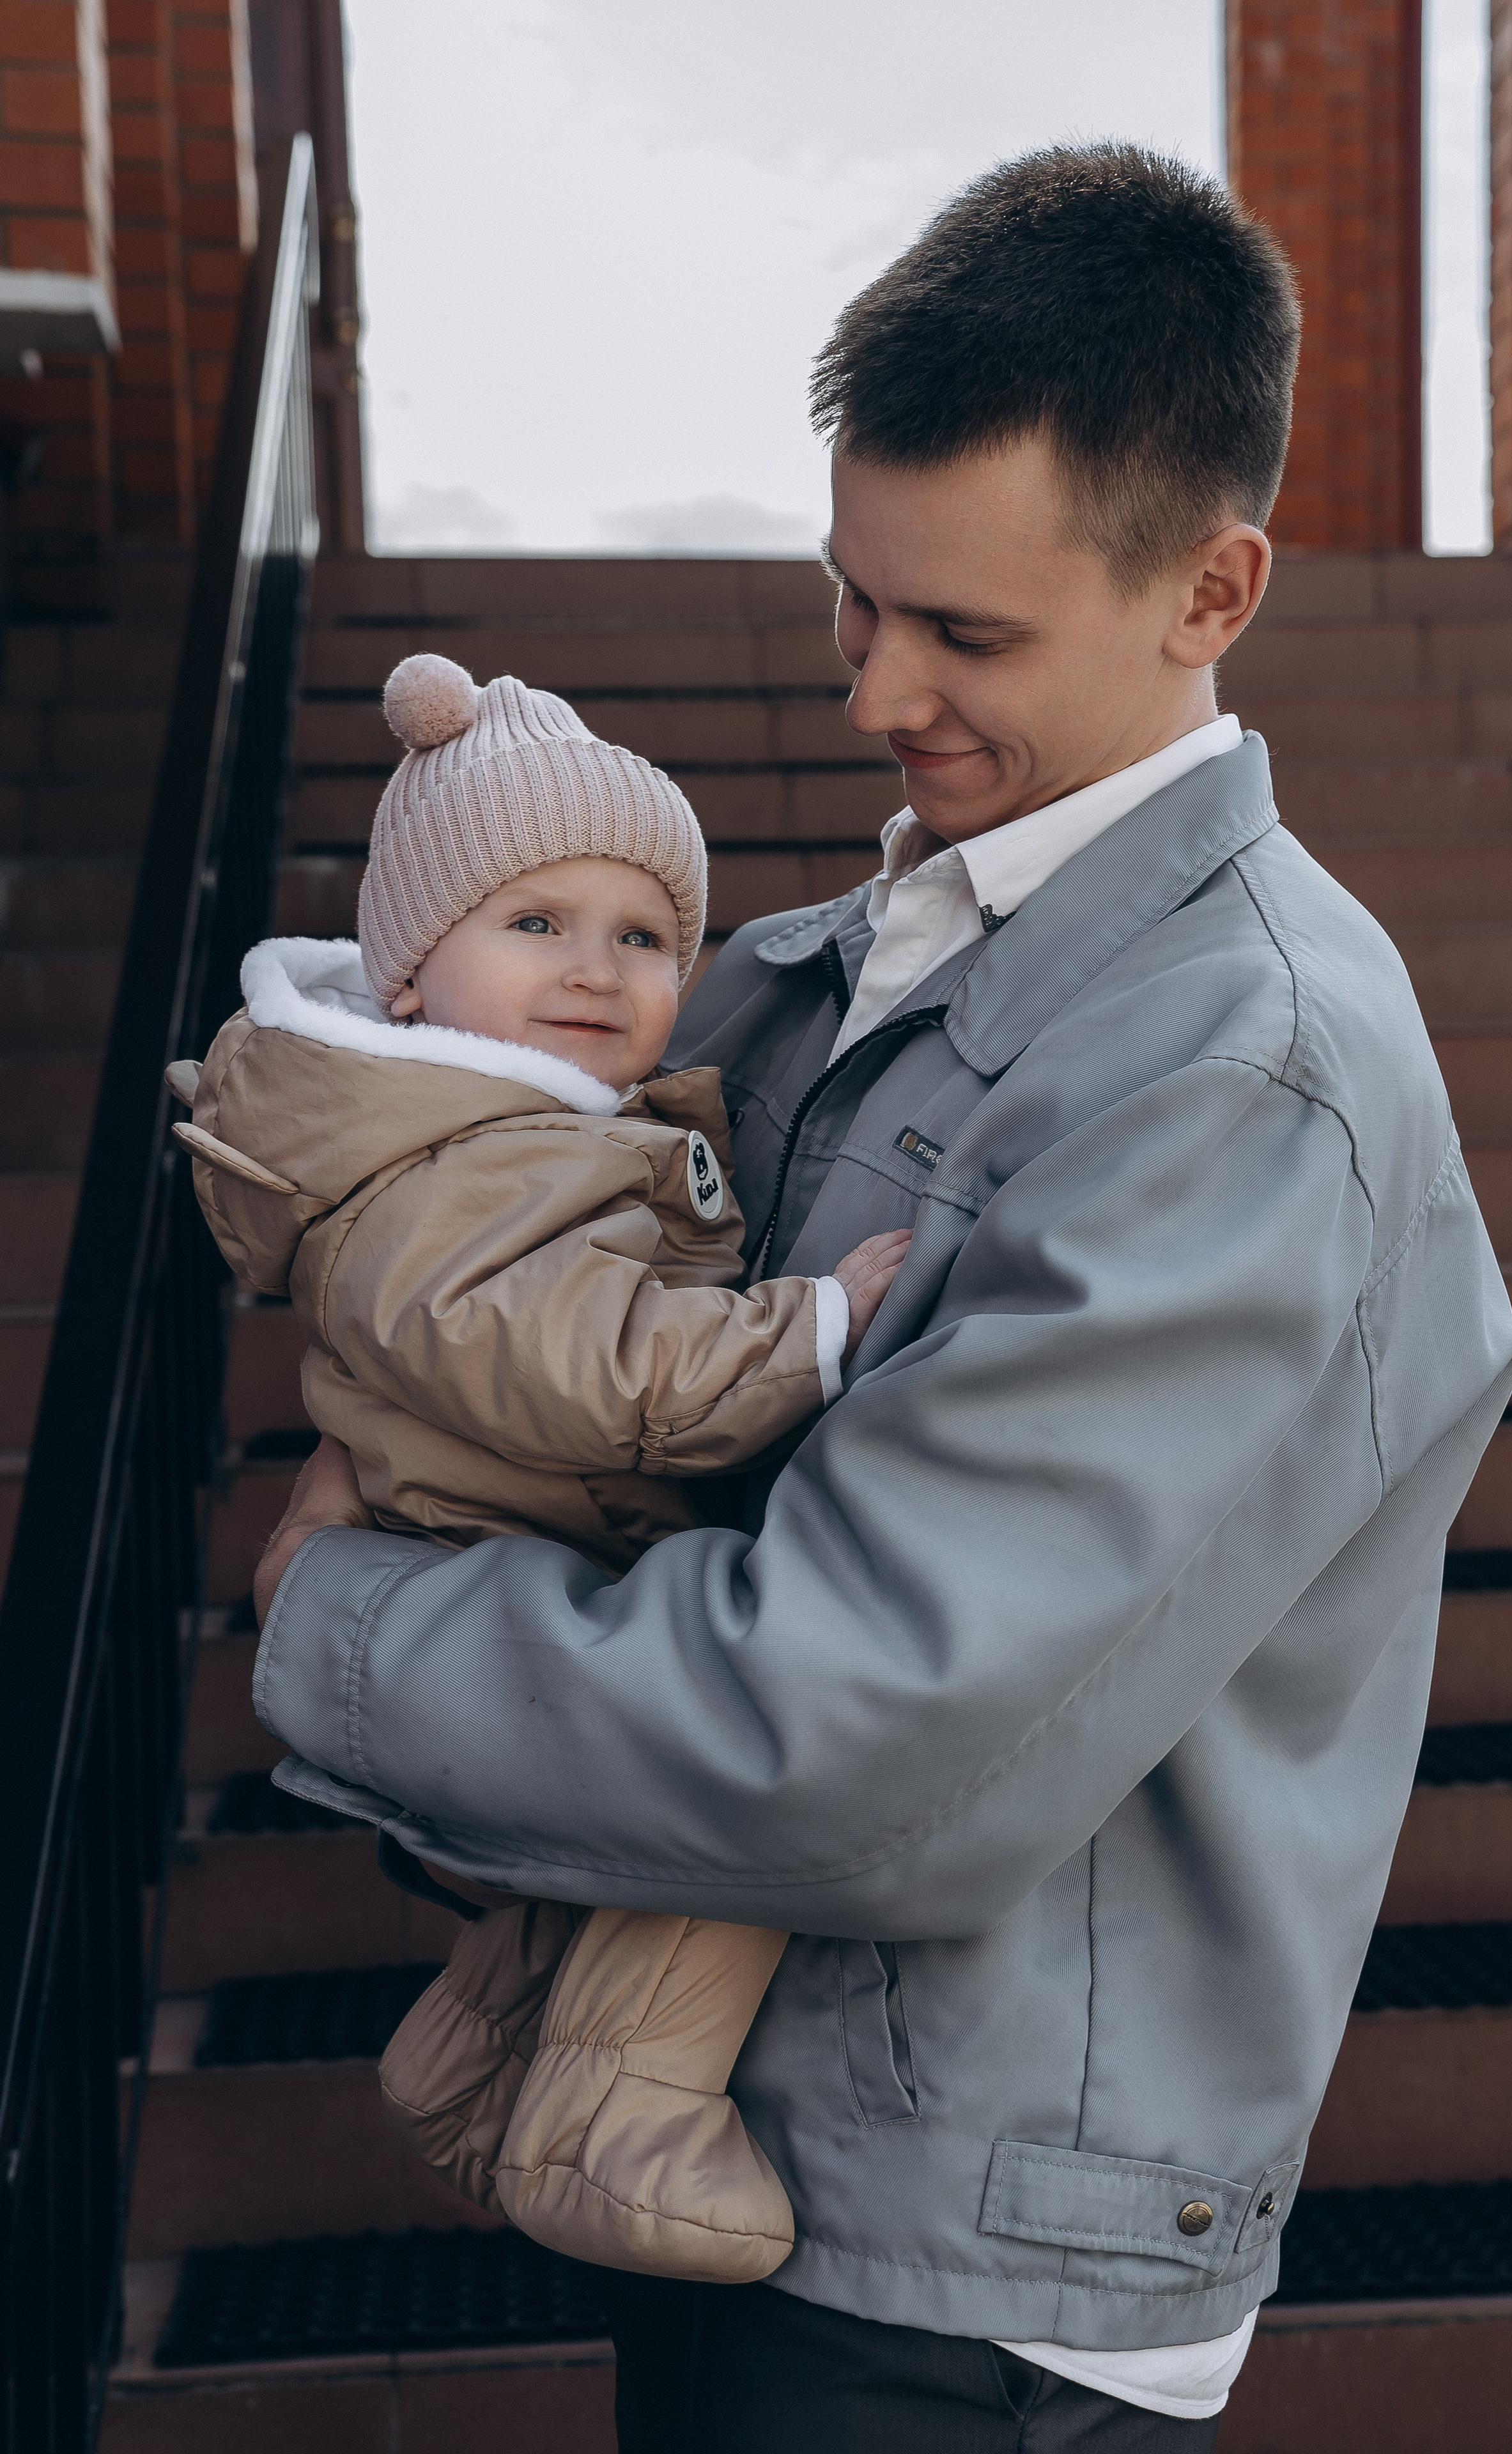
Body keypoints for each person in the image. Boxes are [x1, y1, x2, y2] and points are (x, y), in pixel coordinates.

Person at [250, 144, 1512, 2451]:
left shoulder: (1245, 1071)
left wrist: (344, 1624)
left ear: (1211, 587)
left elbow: (856, 1745)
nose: (875, 692)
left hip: (964, 2295)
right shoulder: (843, 962)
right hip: (771, 2163)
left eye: (969, 635)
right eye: (856, 601)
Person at [169, 655, 909, 2283]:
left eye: (643, 936)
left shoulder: (501, 1133)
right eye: (534, 925)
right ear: (410, 971)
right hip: (525, 1537)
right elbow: (580, 1375)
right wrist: (805, 1330)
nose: (596, 970)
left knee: (594, 1857)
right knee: (734, 1813)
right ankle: (615, 2120)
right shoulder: (448, 1169)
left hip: (524, 1548)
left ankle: (472, 2064)